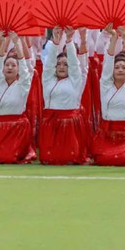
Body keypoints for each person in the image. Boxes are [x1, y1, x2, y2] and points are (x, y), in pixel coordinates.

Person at [92, 25, 125, 166]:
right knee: (103, 159)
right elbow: (107, 64)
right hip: (107, 134)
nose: (120, 70)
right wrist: (114, 38)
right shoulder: (105, 86)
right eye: (117, 67)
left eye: (124, 67)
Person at [40, 26, 89, 165]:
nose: (61, 67)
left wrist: (69, 40)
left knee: (69, 158)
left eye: (65, 65)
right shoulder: (48, 80)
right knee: (49, 159)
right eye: (59, 64)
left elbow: (75, 65)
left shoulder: (75, 81)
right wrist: (55, 43)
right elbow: (49, 65)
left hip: (70, 126)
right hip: (50, 124)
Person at [0, 31, 36, 164]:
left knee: (10, 157)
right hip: (0, 126)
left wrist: (18, 44)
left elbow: (25, 71)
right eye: (7, 65)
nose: (10, 67)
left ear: (18, 69)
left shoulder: (23, 85)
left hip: (18, 127)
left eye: (13, 65)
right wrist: (3, 43)